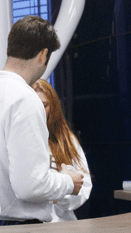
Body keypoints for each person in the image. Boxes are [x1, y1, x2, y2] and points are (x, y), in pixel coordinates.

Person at [0, 15, 83, 225]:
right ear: (43, 54)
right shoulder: (25, 99)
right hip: (17, 229)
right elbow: (30, 185)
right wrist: (68, 182)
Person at [32, 79, 92, 222]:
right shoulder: (18, 139)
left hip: (62, 225)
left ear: (52, 107)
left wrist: (61, 195)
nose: (40, 110)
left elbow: (84, 185)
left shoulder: (66, 140)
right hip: (29, 227)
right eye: (35, 105)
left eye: (44, 105)